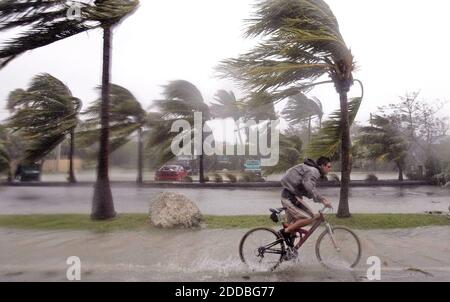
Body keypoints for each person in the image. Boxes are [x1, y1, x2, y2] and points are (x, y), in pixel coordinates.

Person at [278, 156, 333, 246]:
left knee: (294, 225)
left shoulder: (311, 169)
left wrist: (321, 198)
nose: (330, 169)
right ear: (322, 166)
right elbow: (308, 186)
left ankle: (290, 252)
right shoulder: (313, 171)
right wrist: (322, 200)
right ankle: (285, 232)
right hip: (289, 197)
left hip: (292, 196)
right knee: (309, 217)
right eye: (329, 167)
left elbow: (307, 191)